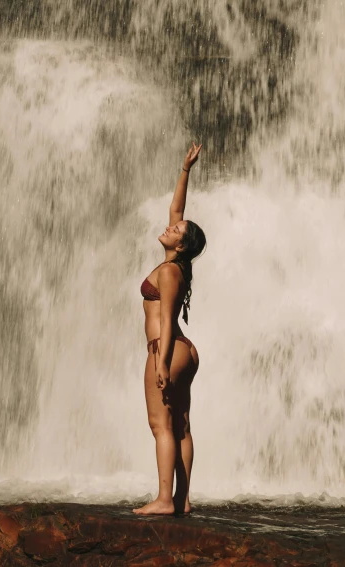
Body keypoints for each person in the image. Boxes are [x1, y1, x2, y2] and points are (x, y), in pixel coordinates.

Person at [133, 143, 206, 516]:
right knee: (180, 424)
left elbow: (165, 317)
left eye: (176, 229)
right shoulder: (176, 264)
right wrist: (185, 170)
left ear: (181, 243)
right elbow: (177, 210)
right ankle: (183, 499)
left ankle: (164, 500)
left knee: (160, 424)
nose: (170, 225)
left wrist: (161, 363)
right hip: (184, 350)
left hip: (166, 347)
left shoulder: (168, 272)